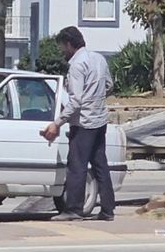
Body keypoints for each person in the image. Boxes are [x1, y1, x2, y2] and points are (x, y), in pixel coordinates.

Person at [41, 26, 115, 221]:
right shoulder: (99, 59)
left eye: (62, 48)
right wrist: (96, 99)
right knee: (100, 165)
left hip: (83, 123)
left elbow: (76, 100)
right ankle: (108, 210)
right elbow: (109, 85)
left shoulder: (76, 65)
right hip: (99, 120)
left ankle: (73, 209)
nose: (62, 52)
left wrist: (57, 123)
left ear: (69, 44)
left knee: (77, 167)